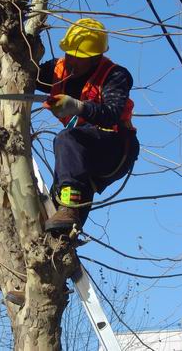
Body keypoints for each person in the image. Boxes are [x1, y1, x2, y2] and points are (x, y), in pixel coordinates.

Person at [36, 18, 140, 233]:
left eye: (78, 56)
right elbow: (29, 74)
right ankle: (64, 236)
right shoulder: (57, 69)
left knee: (67, 139)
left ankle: (70, 207)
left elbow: (111, 114)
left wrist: (79, 107)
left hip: (115, 147)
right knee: (58, 210)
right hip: (80, 152)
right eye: (69, 53)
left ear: (95, 58)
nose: (71, 59)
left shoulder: (115, 75)